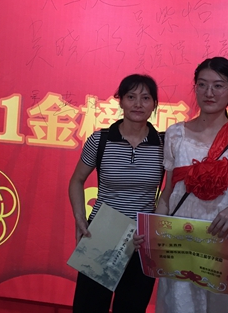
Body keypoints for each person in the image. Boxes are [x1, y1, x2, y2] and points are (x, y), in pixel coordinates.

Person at [153, 57, 228, 313]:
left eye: (218, 86)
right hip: (180, 242)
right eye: (202, 85)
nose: (209, 93)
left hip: (221, 246)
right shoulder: (176, 133)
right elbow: (167, 193)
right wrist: (155, 230)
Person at [68, 74, 165, 313]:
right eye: (131, 97)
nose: (138, 104)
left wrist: (154, 226)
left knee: (131, 308)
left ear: (155, 104)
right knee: (89, 307)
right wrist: (80, 218)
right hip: (102, 235)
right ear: (120, 101)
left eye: (145, 98)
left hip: (142, 240)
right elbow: (76, 180)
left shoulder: (164, 145)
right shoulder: (100, 140)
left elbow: (169, 191)